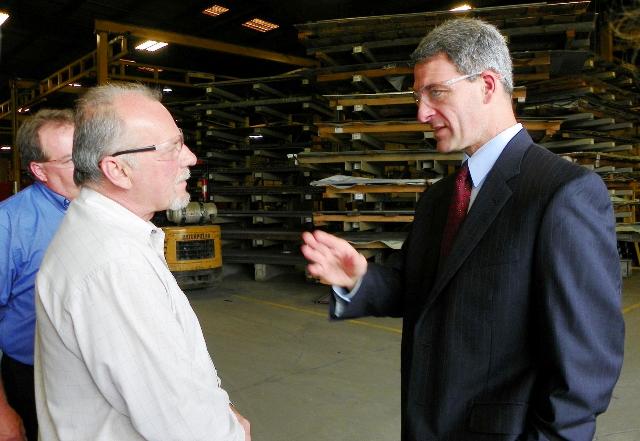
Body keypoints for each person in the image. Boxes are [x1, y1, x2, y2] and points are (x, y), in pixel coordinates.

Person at [301, 18, 624, 441]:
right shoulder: (440, 198)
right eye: (418, 96)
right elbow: (420, 287)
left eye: (436, 92)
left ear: (487, 85)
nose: (421, 113)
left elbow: (586, 368)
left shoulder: (562, 194)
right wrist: (360, 279)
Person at [34, 83, 250, 441]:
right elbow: (182, 426)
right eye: (172, 148)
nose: (191, 158)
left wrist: (221, 409)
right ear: (118, 170)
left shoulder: (111, 236)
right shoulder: (114, 267)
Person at [0, 109, 78, 441]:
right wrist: (2, 412)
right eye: (72, 159)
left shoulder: (105, 209)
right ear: (39, 170)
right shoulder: (9, 224)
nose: (88, 165)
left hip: (94, 374)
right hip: (32, 379)